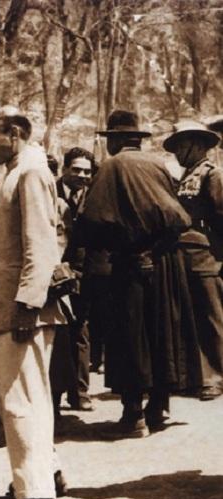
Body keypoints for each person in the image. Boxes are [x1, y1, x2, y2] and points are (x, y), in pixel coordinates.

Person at [80, 109, 199, 438]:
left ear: (115, 140)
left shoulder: (111, 167)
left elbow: (92, 220)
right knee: (161, 330)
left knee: (129, 336)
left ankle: (134, 414)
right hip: (164, 260)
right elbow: (177, 215)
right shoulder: (159, 165)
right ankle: (158, 405)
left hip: (129, 262)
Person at [0, 107, 67, 499]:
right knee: (33, 396)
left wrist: (27, 305)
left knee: (20, 401)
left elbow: (41, 245)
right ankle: (46, 472)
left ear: (14, 134)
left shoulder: (30, 172)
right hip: (14, 305)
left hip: (21, 309)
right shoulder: (19, 170)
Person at [163, 120, 223, 401]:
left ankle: (216, 376)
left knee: (212, 316)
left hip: (206, 255)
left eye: (181, 145)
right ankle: (195, 376)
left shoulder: (213, 175)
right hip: (183, 253)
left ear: (198, 145)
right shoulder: (185, 177)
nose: (177, 152)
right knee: (189, 316)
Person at [50, 147, 96, 414]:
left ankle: (80, 392)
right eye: (76, 170)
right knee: (57, 335)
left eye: (87, 171)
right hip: (54, 273)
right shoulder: (49, 192)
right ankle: (54, 397)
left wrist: (79, 272)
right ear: (65, 169)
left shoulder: (94, 196)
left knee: (81, 331)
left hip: (83, 275)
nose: (82, 175)